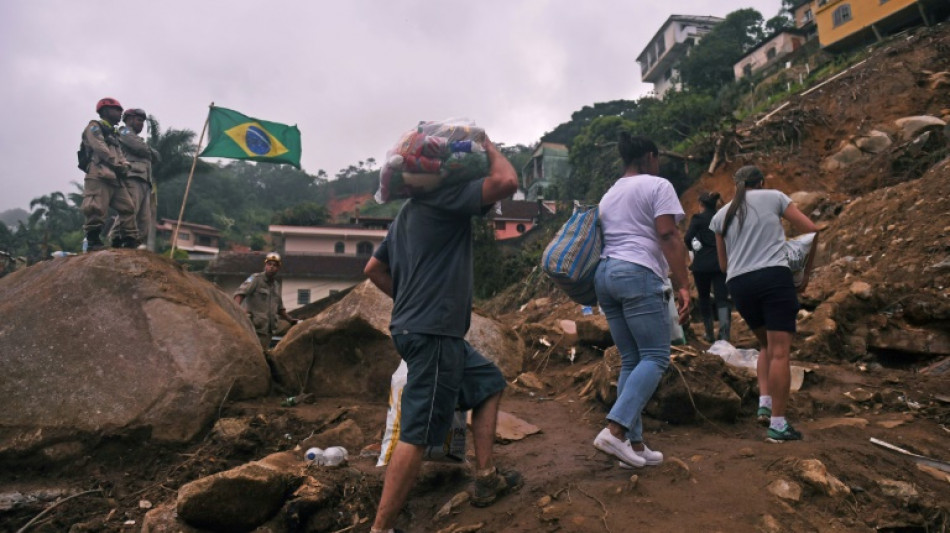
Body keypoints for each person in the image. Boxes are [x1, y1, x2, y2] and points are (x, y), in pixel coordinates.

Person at [363, 138, 521, 533]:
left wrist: (412, 299)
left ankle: (485, 479)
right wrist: (485, 143)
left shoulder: (406, 215)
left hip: (427, 332)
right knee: (417, 433)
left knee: (487, 383)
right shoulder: (445, 199)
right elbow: (506, 182)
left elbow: (372, 269)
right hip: (433, 334)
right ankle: (380, 529)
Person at [591, 133, 690, 469]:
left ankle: (633, 444)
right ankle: (615, 431)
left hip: (605, 277)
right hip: (637, 273)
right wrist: (684, 284)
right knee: (656, 356)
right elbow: (667, 234)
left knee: (632, 359)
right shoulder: (657, 185)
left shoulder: (610, 193)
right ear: (650, 156)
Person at [710, 165, 820, 442]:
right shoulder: (774, 197)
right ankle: (778, 425)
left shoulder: (721, 216)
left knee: (766, 346)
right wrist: (804, 273)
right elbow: (811, 229)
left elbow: (723, 265)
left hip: (739, 284)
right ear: (761, 181)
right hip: (773, 277)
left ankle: (765, 403)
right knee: (781, 351)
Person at [80, 98, 136, 251]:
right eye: (117, 109)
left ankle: (127, 240)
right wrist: (119, 164)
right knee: (95, 207)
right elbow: (100, 148)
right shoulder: (94, 127)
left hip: (115, 176)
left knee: (128, 207)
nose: (120, 113)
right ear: (105, 111)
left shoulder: (114, 133)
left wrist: (125, 165)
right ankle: (93, 241)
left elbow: (120, 154)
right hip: (98, 173)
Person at [684, 191, 731, 342]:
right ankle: (724, 334)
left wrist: (693, 249)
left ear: (701, 205)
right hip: (720, 263)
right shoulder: (721, 217)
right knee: (722, 298)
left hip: (702, 265)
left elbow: (687, 238)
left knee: (704, 297)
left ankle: (709, 333)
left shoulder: (698, 219)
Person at [233, 252, 299, 351]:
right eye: (269, 264)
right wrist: (236, 311)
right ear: (265, 266)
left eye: (275, 265)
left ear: (278, 268)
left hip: (268, 330)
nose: (272, 267)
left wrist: (290, 320)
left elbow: (280, 308)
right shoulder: (256, 279)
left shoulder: (276, 285)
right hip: (254, 328)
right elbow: (240, 294)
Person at [118, 108, 161, 251]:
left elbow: (155, 156)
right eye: (138, 120)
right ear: (129, 120)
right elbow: (139, 148)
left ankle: (132, 246)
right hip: (132, 177)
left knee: (144, 220)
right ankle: (116, 239)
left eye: (143, 121)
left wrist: (148, 151)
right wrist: (149, 151)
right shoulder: (124, 131)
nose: (141, 124)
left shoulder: (139, 139)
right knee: (129, 211)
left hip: (144, 180)